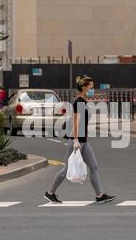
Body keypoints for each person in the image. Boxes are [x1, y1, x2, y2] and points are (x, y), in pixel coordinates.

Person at [44, 75, 115, 204]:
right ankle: (50, 193)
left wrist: (84, 139)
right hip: (77, 140)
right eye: (91, 87)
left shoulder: (84, 101)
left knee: (94, 166)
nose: (93, 90)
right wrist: (76, 140)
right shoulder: (79, 102)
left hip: (84, 141)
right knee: (66, 169)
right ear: (84, 88)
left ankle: (99, 195)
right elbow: (76, 123)